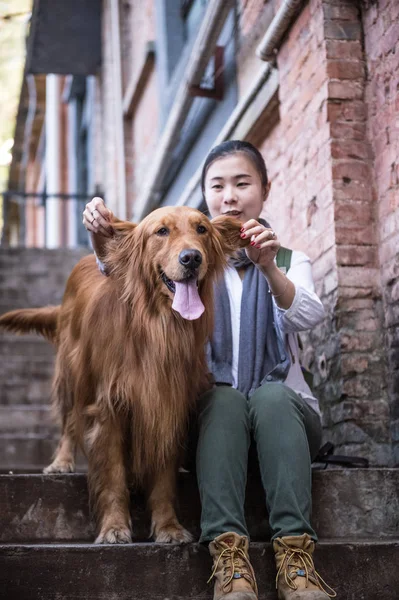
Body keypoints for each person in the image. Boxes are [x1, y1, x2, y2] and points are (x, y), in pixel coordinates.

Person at [83, 140, 336, 600]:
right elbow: (121, 269)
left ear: (265, 189)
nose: (231, 196)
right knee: (222, 398)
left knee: (271, 396)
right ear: (205, 195)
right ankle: (228, 558)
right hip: (216, 423)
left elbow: (308, 315)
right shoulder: (192, 264)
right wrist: (100, 236)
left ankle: (296, 561)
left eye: (243, 183)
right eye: (218, 186)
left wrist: (268, 268)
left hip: (286, 423)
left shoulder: (287, 259)